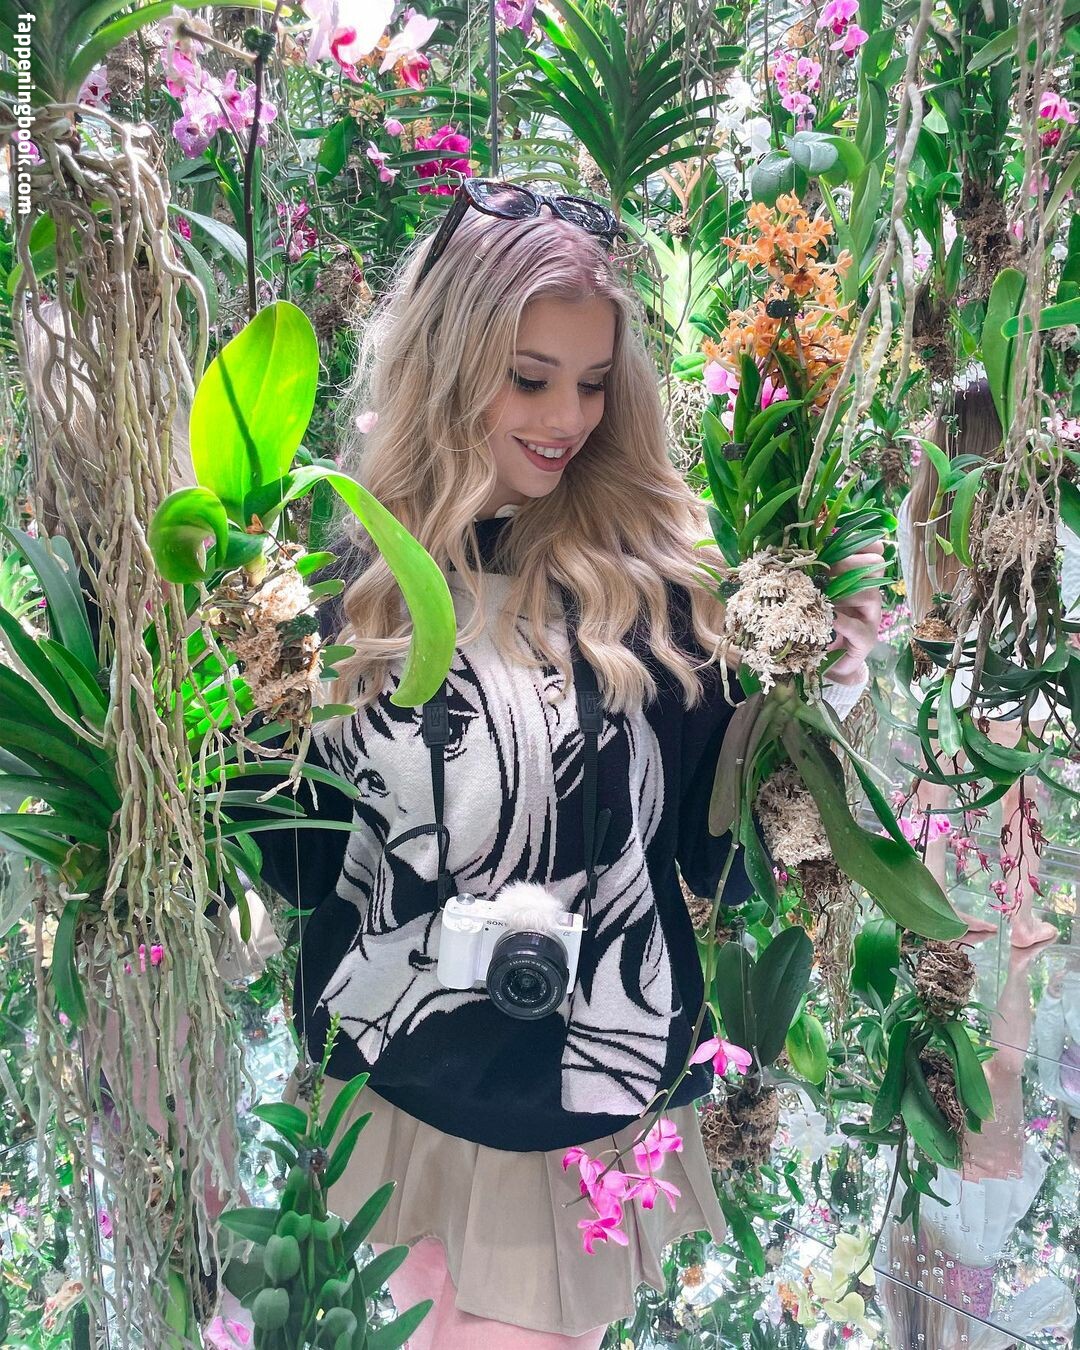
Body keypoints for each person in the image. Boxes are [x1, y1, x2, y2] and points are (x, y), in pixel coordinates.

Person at [243, 179, 883, 1348]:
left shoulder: (658, 590)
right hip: (387, 1090)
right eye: (529, 378)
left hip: (577, 1111)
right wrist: (231, 715)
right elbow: (304, 871)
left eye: (592, 382)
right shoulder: (349, 586)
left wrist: (814, 703)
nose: (567, 418)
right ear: (447, 365)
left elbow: (713, 857)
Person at [896, 370, 1078, 946]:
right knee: (1018, 792)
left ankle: (932, 912)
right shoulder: (1030, 512)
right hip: (1012, 676)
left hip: (941, 676)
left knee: (934, 785)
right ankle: (1021, 919)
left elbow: (916, 594)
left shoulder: (916, 508)